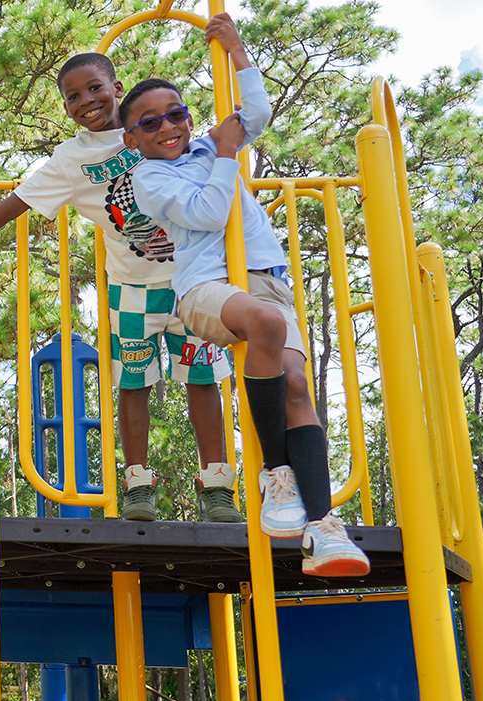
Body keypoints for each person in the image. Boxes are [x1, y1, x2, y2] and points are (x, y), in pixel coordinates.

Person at [121, 13, 368, 576]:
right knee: (266, 324)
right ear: (133, 137)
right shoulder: (149, 179)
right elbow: (210, 212)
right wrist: (227, 152)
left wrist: (237, 52)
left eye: (177, 114)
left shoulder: (209, 148)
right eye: (150, 122)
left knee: (298, 386)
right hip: (205, 286)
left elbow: (254, 113)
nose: (168, 127)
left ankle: (322, 528)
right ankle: (274, 475)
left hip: (265, 276)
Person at [0, 52, 240, 524]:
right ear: (65, 108)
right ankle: (138, 483)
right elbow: (18, 202)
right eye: (73, 96)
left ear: (117, 87)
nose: (87, 101)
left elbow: (212, 149)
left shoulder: (152, 121)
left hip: (193, 281)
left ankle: (218, 486)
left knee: (203, 381)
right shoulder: (71, 160)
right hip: (131, 287)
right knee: (133, 382)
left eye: (95, 88)